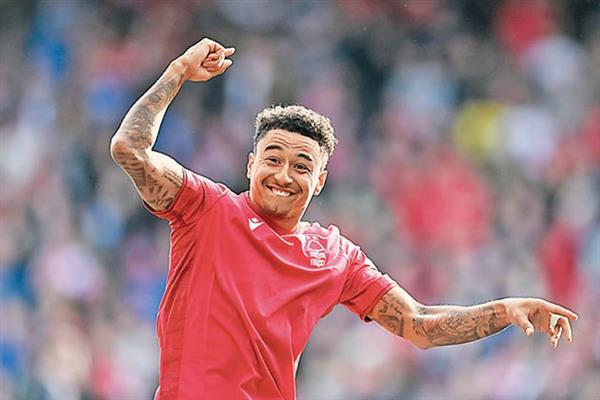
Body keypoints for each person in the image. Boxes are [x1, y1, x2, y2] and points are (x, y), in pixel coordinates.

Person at [110, 38, 578, 400]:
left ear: (320, 181)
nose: (283, 175)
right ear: (250, 164)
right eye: (272, 159)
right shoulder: (206, 209)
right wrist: (177, 72)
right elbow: (129, 149)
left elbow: (419, 324)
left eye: (301, 166)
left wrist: (504, 311)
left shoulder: (334, 255)